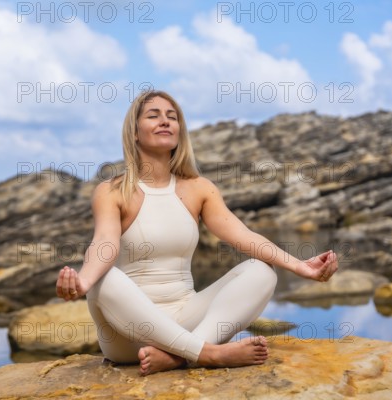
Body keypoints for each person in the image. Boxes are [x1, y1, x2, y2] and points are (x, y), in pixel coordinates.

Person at [55, 90, 338, 375]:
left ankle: (182, 356)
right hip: (129, 335)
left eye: (172, 117)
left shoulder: (199, 188)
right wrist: (83, 281)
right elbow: (104, 243)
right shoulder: (112, 190)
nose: (165, 122)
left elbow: (244, 236)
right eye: (153, 116)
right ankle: (208, 353)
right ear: (135, 133)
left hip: (187, 320)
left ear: (180, 131)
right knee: (104, 279)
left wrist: (301, 266)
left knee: (261, 271)